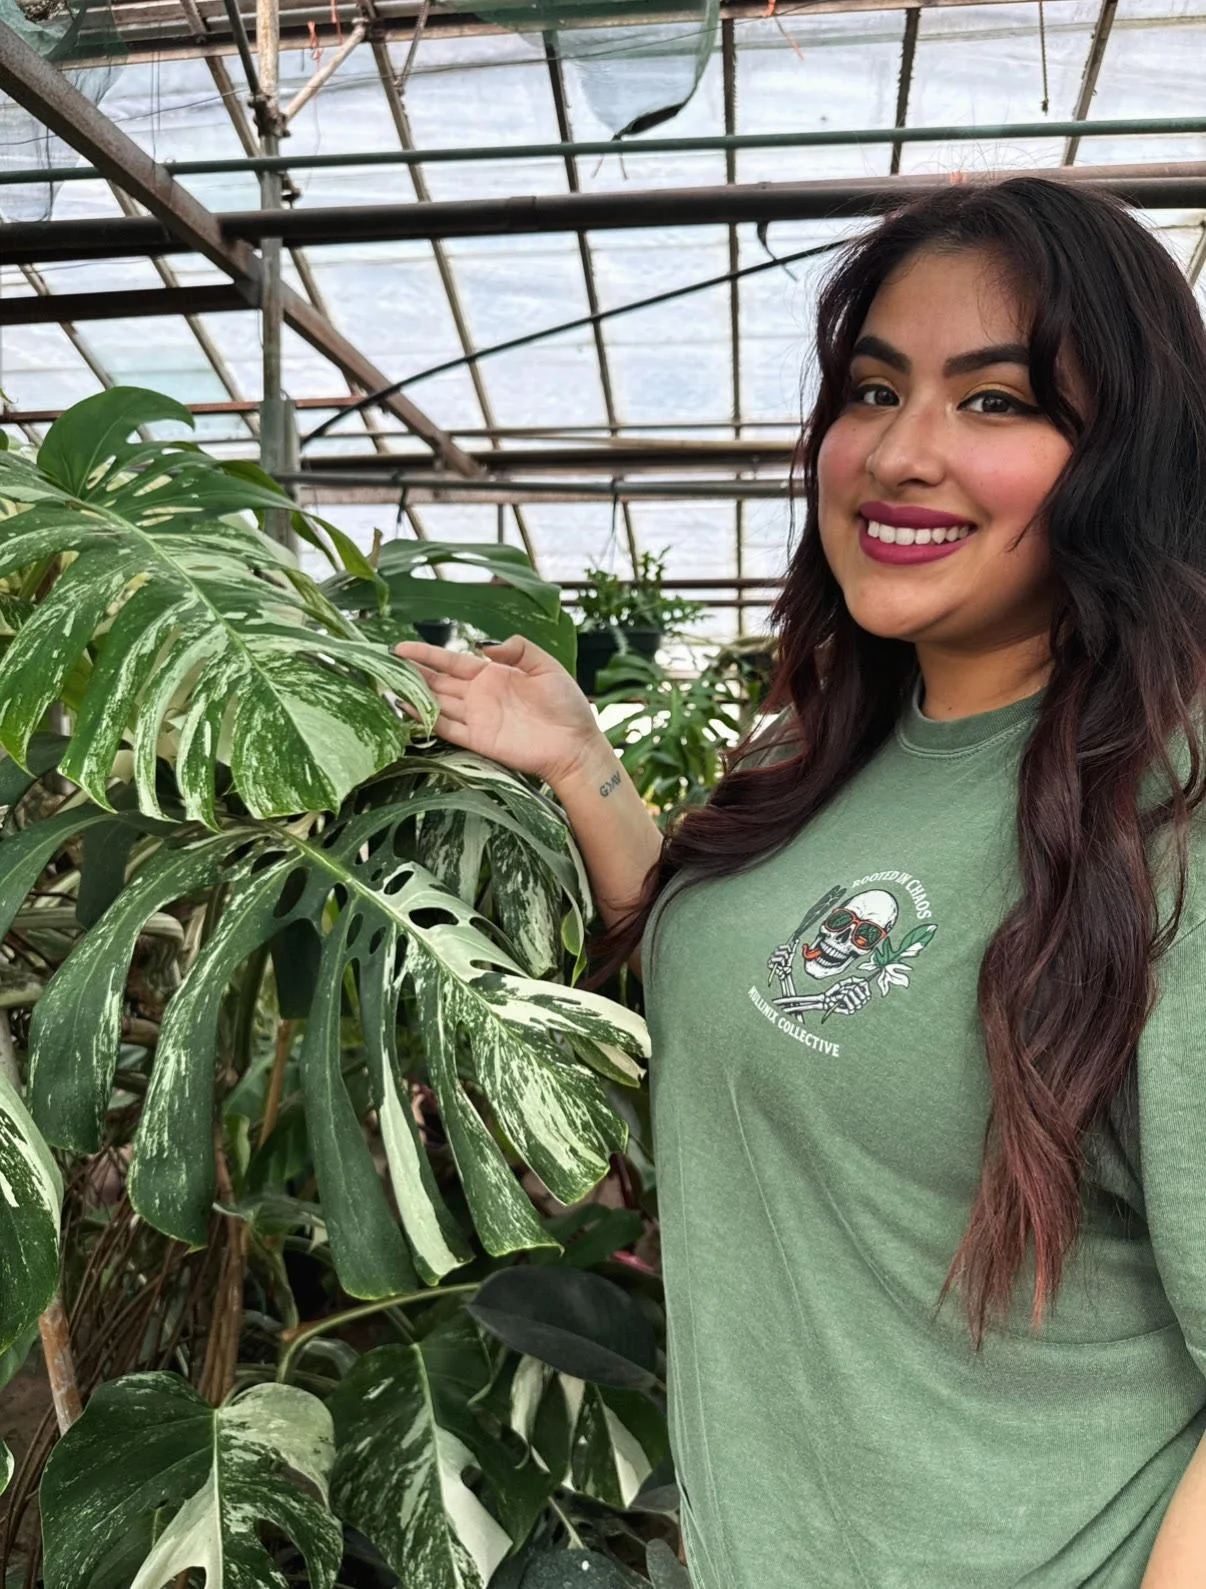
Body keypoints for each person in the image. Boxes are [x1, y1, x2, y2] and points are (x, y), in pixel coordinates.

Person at [395, 176, 1206, 1588]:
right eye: (872, 390)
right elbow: (770, 998)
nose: (901, 453)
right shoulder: (839, 744)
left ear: (1125, 453)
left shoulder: (1171, 806)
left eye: (996, 403)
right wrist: (582, 767)